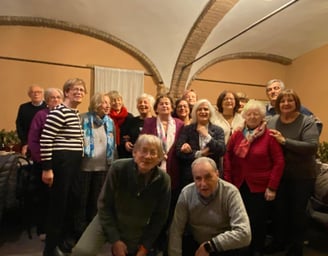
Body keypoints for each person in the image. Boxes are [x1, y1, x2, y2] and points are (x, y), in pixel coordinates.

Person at [72, 134, 171, 256]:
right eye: (143, 151)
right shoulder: (118, 168)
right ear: (134, 152)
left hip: (136, 224)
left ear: (159, 158)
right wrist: (115, 240)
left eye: (153, 153)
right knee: (81, 252)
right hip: (108, 217)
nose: (147, 156)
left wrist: (146, 245)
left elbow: (160, 217)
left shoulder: (164, 180)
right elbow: (104, 205)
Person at [224, 100, 285, 256]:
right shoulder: (237, 134)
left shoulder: (270, 136)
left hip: (260, 187)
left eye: (256, 114)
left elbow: (279, 162)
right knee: (237, 219)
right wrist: (228, 181)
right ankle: (238, 248)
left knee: (258, 221)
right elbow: (228, 157)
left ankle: (256, 249)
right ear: (244, 115)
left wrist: (272, 187)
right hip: (237, 184)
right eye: (249, 113)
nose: (252, 116)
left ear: (262, 116)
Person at [267, 89, 319, 256]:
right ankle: (279, 242)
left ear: (296, 103)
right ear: (278, 104)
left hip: (302, 176)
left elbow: (312, 147)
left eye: (290, 100)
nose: (286, 104)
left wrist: (284, 141)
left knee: (297, 213)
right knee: (279, 211)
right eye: (282, 101)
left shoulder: (307, 121)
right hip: (279, 175)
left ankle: (296, 247)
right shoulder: (272, 121)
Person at [40, 78, 87, 256]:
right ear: (66, 92)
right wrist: (47, 168)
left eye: (82, 90)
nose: (79, 92)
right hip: (62, 163)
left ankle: (63, 243)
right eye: (75, 89)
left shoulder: (74, 113)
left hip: (74, 163)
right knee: (58, 206)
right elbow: (46, 140)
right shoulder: (59, 112)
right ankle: (50, 248)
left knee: (71, 203)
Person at [168, 157, 251, 256]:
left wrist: (210, 246)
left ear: (217, 174)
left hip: (223, 246)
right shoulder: (186, 193)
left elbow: (244, 234)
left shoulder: (230, 192)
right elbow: (176, 230)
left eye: (208, 177)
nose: (203, 184)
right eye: (198, 178)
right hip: (196, 243)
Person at [77, 93, 116, 238]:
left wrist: (113, 163)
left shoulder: (110, 122)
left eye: (108, 103)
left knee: (97, 200)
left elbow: (114, 145)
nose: (108, 106)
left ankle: (93, 232)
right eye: (104, 102)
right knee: (82, 200)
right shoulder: (83, 118)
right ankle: (79, 231)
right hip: (85, 166)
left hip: (103, 167)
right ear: (96, 104)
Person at [27, 87, 63, 240]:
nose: (55, 100)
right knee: (44, 198)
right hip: (43, 163)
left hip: (60, 163)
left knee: (59, 197)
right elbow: (33, 140)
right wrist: (42, 162)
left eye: (58, 97)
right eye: (52, 98)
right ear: (47, 101)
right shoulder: (41, 115)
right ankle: (43, 229)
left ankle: (59, 228)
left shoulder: (65, 115)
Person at [176, 99, 225, 188]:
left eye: (206, 109)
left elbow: (221, 150)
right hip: (190, 177)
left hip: (211, 177)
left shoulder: (218, 130)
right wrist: (199, 154)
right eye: (199, 109)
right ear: (195, 112)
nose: (203, 111)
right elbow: (178, 152)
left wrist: (207, 136)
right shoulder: (187, 129)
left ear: (210, 112)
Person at [118, 93, 156, 158]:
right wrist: (125, 143)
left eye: (145, 102)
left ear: (151, 105)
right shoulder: (130, 121)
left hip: (150, 157)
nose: (142, 104)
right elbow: (123, 137)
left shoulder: (156, 122)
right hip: (132, 157)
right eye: (140, 102)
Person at [16, 85, 47, 156]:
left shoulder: (48, 106)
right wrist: (25, 143)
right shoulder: (23, 107)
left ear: (43, 94)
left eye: (39, 92)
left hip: (45, 144)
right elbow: (19, 126)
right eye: (33, 92)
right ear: (29, 95)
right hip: (28, 144)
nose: (36, 94)